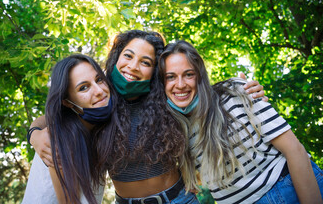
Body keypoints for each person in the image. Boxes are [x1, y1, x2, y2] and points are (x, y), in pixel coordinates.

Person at [29, 30, 265, 204]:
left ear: (154, 70)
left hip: (177, 200)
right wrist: (35, 134)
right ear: (116, 57)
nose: (133, 66)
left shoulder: (166, 97)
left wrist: (246, 91)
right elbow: (54, 116)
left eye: (145, 62)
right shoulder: (102, 98)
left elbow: (203, 94)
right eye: (128, 56)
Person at [158, 40, 323, 204]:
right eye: (170, 77)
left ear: (199, 75)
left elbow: (294, 150)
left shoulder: (234, 92)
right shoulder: (174, 131)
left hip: (287, 188)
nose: (180, 84)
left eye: (188, 74)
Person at [22, 54, 115, 204]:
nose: (99, 91)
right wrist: (34, 134)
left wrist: (33, 132)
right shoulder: (60, 139)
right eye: (83, 88)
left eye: (99, 80)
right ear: (68, 102)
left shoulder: (100, 127)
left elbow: (45, 118)